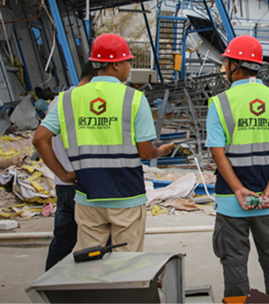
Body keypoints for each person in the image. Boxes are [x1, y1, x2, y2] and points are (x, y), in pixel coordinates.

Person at [33, 33, 174, 253]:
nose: (130, 66)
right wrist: (162, 151)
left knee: (91, 263)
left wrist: (63, 174)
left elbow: (39, 138)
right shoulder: (134, 99)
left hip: (88, 196)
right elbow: (145, 153)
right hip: (127, 196)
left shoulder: (68, 99)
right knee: (126, 265)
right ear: (116, 65)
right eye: (128, 61)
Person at [206, 35, 269, 297]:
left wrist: (237, 189)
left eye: (225, 62)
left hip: (231, 200)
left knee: (234, 263)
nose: (224, 67)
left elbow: (218, 153)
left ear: (235, 64)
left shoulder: (220, 103)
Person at [44, 61, 97, 270]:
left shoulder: (59, 100)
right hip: (83, 185)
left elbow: (43, 140)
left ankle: (48, 288)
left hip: (64, 186)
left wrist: (61, 174)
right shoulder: (84, 103)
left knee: (62, 242)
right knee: (98, 244)